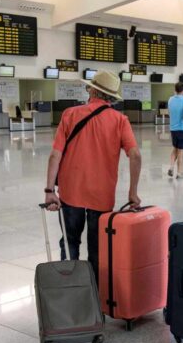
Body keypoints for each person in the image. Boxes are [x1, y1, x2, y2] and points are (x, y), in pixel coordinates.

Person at [44, 70, 142, 285]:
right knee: (98, 249)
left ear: (93, 90)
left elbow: (55, 155)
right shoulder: (120, 120)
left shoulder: (70, 114)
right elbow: (135, 155)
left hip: (71, 193)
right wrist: (132, 192)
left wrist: (50, 191)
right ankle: (95, 297)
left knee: (70, 243)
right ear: (111, 96)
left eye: (88, 87)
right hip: (102, 195)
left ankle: (69, 291)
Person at [167, 82, 183, 179]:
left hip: (173, 128)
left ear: (175, 89)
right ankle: (180, 173)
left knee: (175, 149)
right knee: (181, 151)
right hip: (182, 128)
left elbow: (169, 111)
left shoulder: (170, 99)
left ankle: (171, 167)